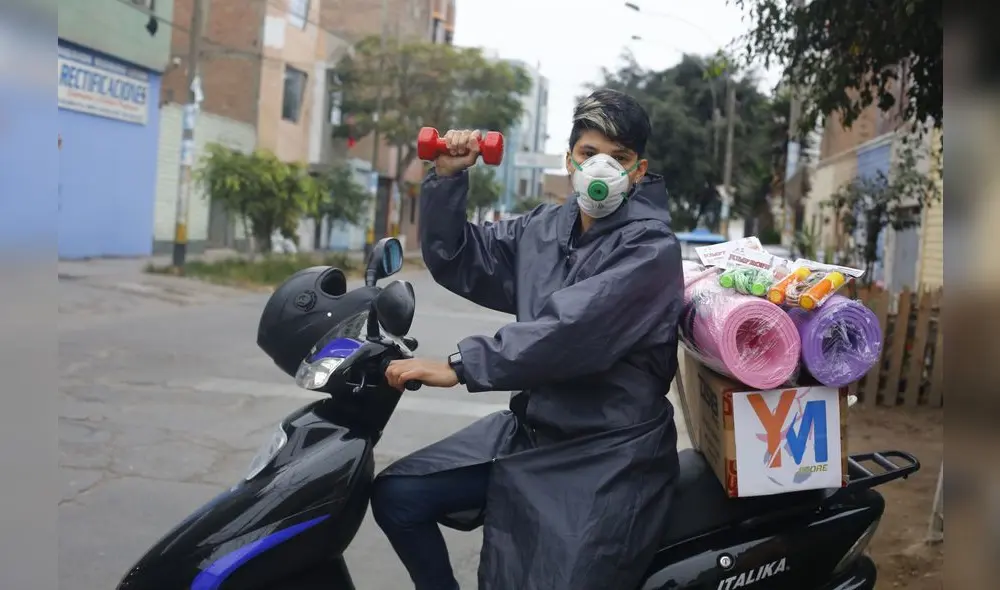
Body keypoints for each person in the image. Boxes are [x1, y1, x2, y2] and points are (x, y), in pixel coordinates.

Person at [374, 88, 684, 590]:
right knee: (399, 496)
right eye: (589, 154)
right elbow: (460, 257)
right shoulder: (543, 229)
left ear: (638, 171)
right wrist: (450, 177)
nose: (602, 167)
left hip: (607, 454)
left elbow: (574, 329)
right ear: (569, 160)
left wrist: (461, 365)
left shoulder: (651, 249)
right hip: (531, 432)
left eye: (619, 157)